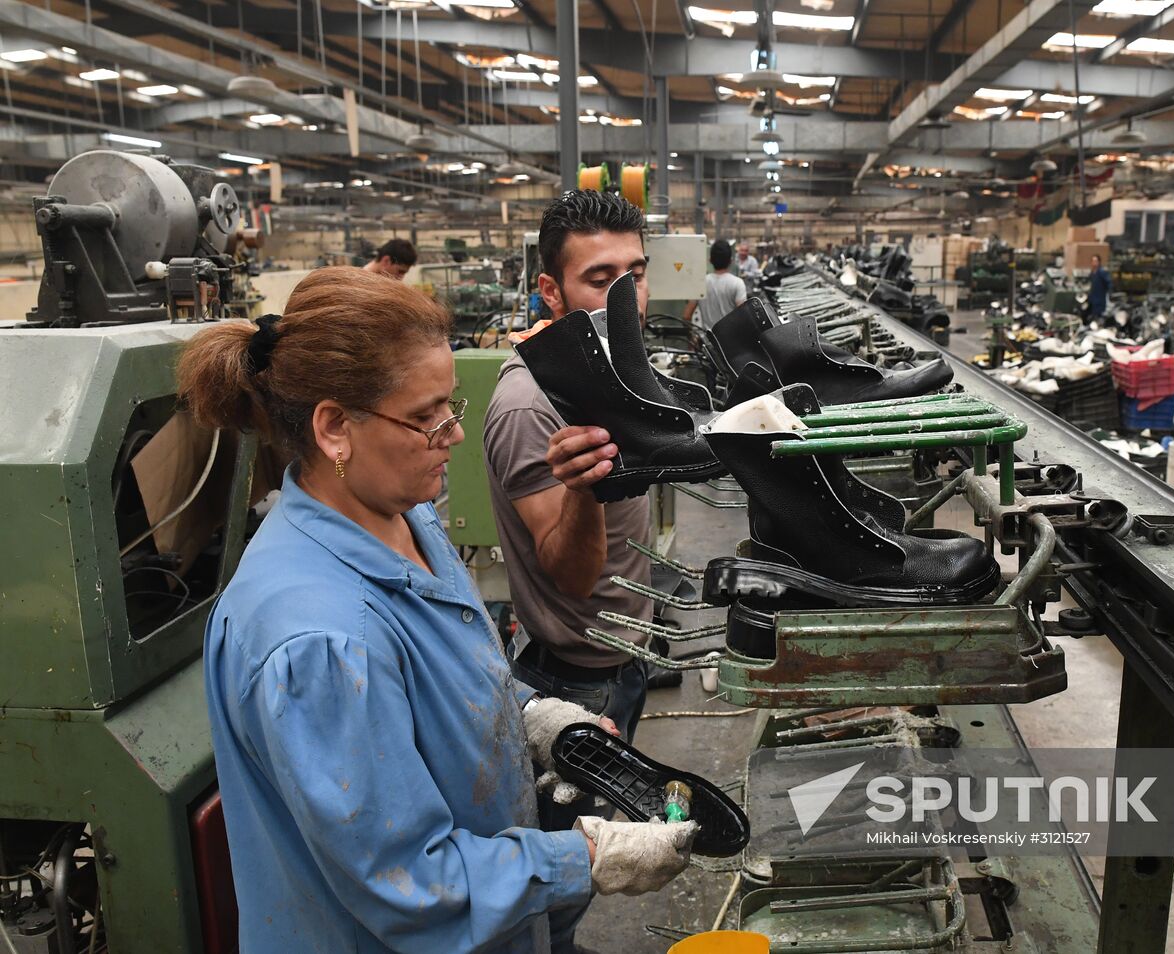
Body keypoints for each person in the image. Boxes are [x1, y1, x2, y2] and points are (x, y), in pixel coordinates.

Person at [179, 267, 694, 954]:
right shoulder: (319, 641)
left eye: (450, 406)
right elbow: (410, 884)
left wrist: (529, 713)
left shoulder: (404, 517)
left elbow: (442, 669)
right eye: (425, 417)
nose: (452, 434)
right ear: (335, 428)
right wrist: (586, 858)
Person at [483, 191, 659, 954]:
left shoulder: (615, 370)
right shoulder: (530, 406)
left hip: (627, 658)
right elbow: (568, 571)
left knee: (588, 848)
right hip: (578, 676)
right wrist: (586, 487)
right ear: (550, 290)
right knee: (562, 861)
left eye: (637, 273)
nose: (626, 296)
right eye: (600, 278)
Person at [684, 239, 748, 332]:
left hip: (708, 342)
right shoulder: (737, 283)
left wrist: (692, 338)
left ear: (710, 260)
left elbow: (686, 316)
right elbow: (743, 317)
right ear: (730, 261)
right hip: (730, 342)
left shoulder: (700, 283)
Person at [1087, 253, 1111, 320]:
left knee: (1099, 316)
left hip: (1100, 299)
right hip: (1092, 298)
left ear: (1099, 262)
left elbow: (1109, 283)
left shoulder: (1102, 272)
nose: (1094, 263)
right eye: (1093, 261)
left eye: (1096, 261)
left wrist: (1108, 292)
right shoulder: (1092, 273)